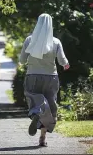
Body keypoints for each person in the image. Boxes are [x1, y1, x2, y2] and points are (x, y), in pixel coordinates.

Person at [19, 13, 70, 146]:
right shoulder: (56, 41)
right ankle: (43, 137)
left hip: (33, 75)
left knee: (34, 99)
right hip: (51, 77)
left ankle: (36, 112)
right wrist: (65, 64)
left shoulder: (29, 40)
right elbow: (62, 60)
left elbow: (22, 60)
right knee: (51, 104)